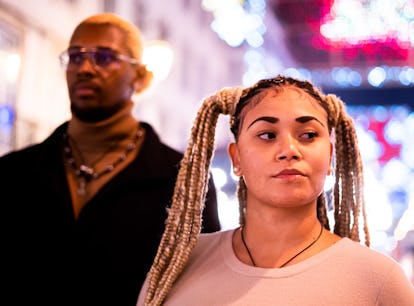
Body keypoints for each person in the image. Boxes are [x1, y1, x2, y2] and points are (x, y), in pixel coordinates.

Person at [0, 13, 220, 306]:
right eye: (75, 57)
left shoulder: (183, 182)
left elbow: (201, 286)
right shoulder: (14, 173)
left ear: (140, 77)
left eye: (104, 57)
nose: (85, 68)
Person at [138, 75, 414, 305]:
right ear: (237, 159)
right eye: (267, 135)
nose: (289, 150)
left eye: (308, 135)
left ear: (329, 157)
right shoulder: (177, 265)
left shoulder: (377, 279)